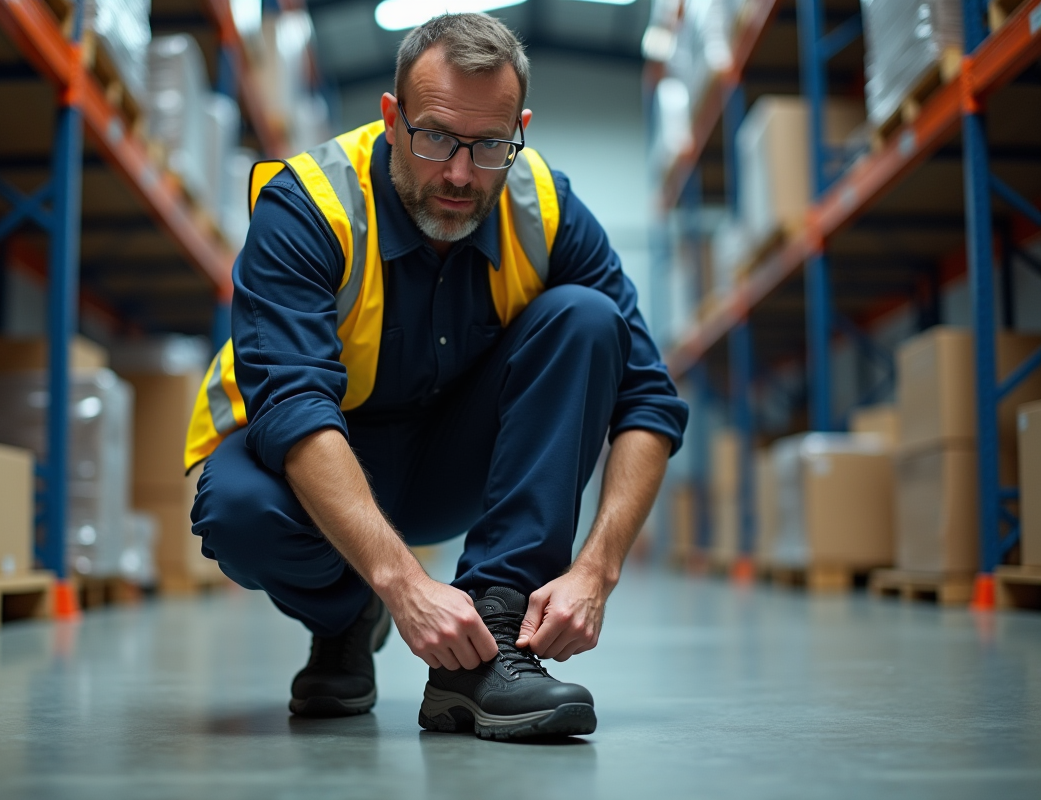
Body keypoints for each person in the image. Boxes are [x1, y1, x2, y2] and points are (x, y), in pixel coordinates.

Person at [186, 12, 688, 741]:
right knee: (233, 509)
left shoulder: (544, 205)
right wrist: (399, 585)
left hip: (456, 460)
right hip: (324, 469)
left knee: (585, 318)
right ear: (392, 119)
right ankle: (346, 620)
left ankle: (485, 651)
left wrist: (598, 569)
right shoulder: (310, 204)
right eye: (435, 139)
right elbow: (293, 408)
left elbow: (648, 396)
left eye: (489, 146)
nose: (459, 173)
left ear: (519, 128)